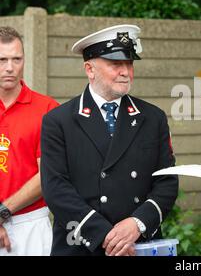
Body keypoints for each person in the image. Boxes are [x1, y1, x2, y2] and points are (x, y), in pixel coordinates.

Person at [40, 25, 179, 256]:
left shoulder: (152, 118)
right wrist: (106, 236)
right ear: (89, 69)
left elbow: (167, 182)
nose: (126, 72)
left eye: (129, 64)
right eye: (116, 64)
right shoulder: (59, 121)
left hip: (139, 244)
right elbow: (56, 188)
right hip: (82, 245)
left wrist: (138, 223)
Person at [0, 26, 59, 256]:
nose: (9, 67)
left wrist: (2, 213)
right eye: (2, 59)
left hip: (30, 226)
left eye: (16, 59)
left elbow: (48, 174)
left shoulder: (47, 109)